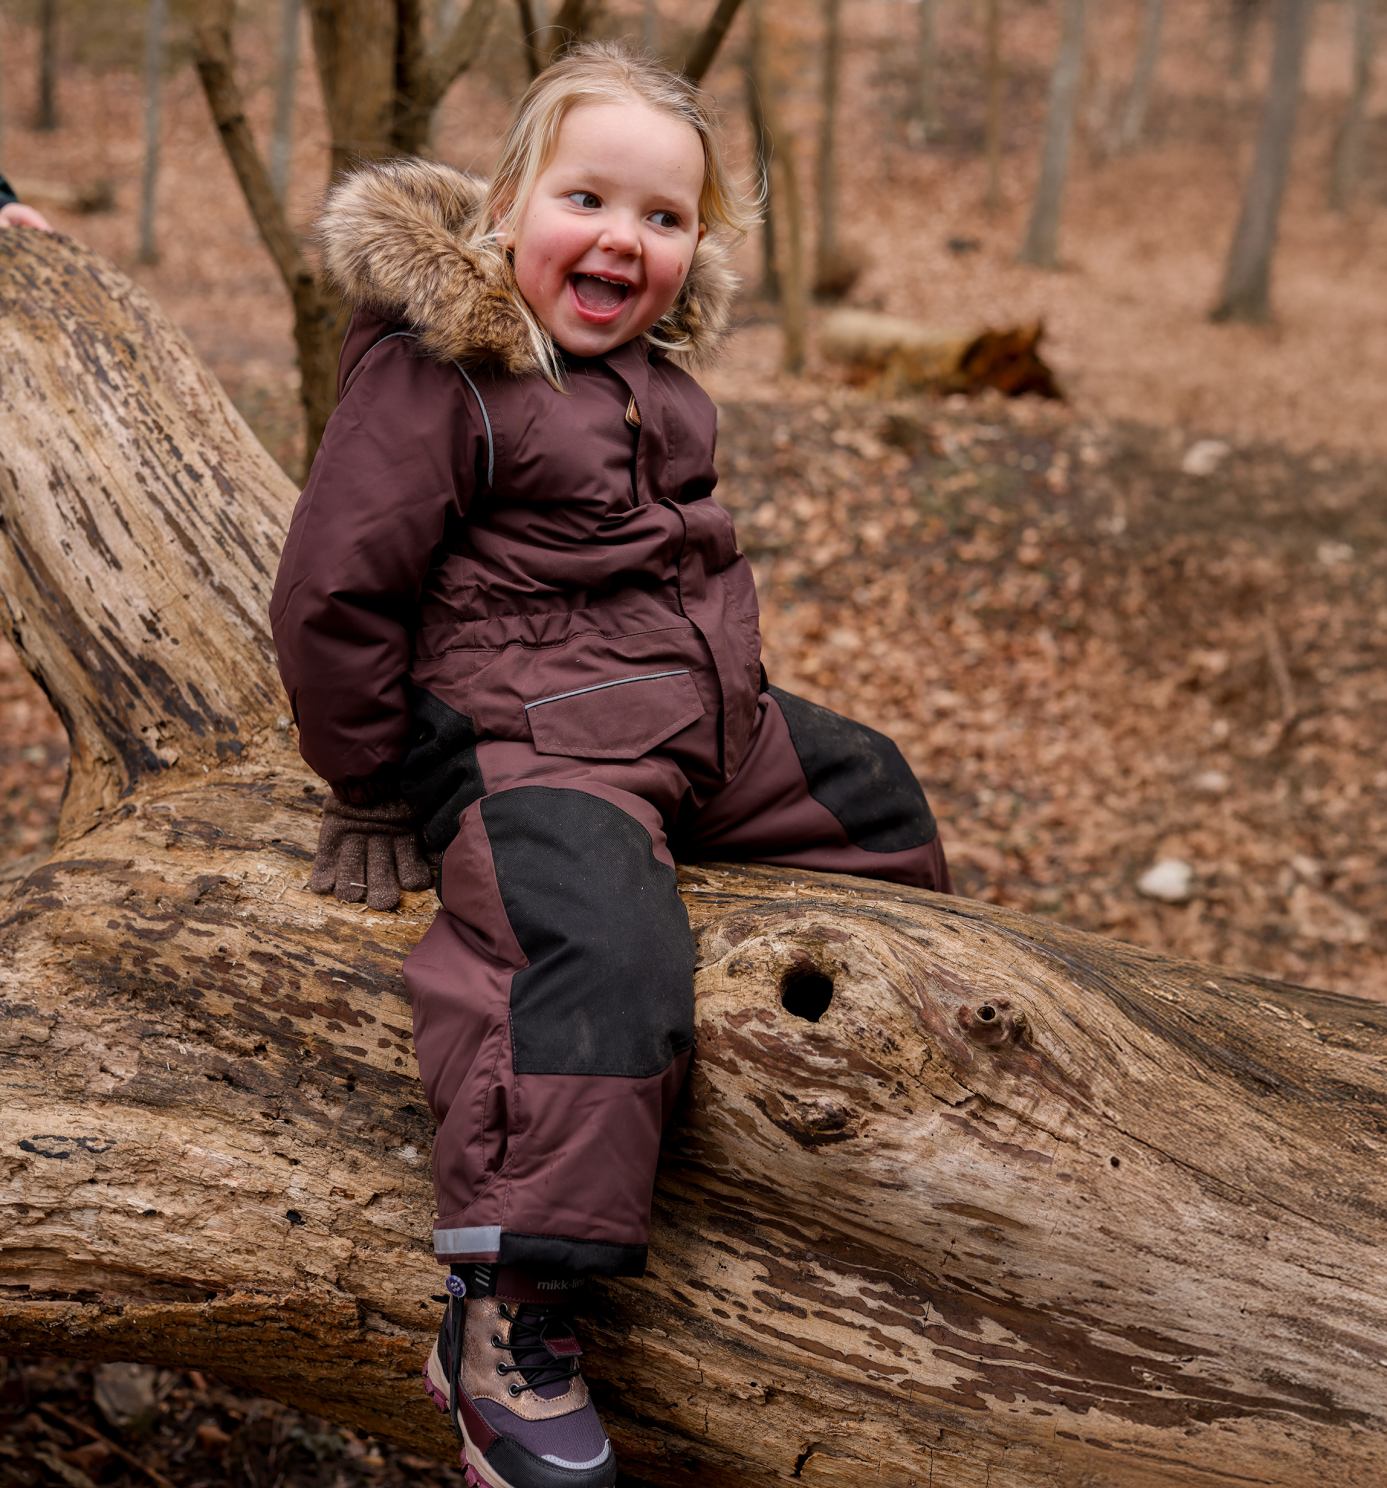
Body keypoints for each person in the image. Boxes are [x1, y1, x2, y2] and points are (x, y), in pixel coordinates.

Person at [270, 41, 950, 1488]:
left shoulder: (656, 382)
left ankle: (893, 1116)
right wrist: (371, 782)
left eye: (663, 216)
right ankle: (505, 1314)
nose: (622, 240)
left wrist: (731, 717)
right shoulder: (445, 377)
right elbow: (333, 591)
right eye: (587, 198)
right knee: (603, 951)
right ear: (508, 204)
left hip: (702, 730)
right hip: (529, 743)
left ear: (697, 244)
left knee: (876, 796)